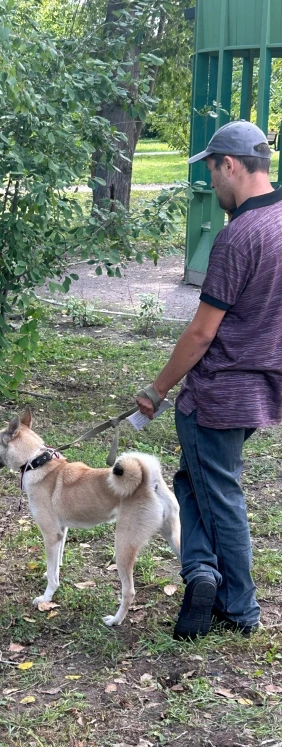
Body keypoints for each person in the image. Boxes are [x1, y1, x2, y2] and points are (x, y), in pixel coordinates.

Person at [136, 120, 282, 640]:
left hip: (217, 394)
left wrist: (156, 390)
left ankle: (236, 605)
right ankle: (202, 572)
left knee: (218, 495)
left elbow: (200, 333)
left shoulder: (237, 236)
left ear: (231, 165)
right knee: (198, 483)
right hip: (262, 394)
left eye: (212, 171)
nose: (211, 185)